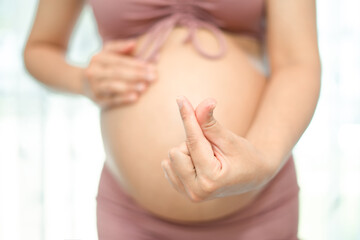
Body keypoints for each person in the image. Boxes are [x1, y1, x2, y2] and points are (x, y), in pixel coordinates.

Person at [23, 0, 321, 239]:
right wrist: (82, 80)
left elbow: (297, 63)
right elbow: (39, 48)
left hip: (257, 208)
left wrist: (262, 161)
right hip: (132, 216)